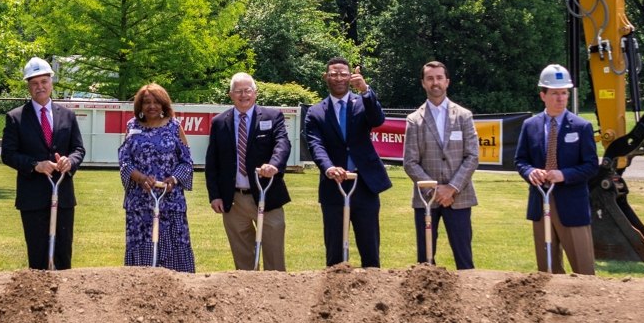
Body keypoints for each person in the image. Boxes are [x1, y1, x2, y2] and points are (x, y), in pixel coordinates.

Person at [304, 57, 391, 268]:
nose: (339, 78)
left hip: (365, 184)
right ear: (326, 77)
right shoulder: (315, 112)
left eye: (343, 74)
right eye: (333, 74)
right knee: (335, 253)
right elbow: (316, 146)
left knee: (370, 250)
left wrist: (365, 90)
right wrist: (329, 168)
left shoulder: (362, 102)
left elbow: (378, 120)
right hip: (334, 186)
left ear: (351, 76)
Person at [0, 56, 85, 270]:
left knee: (63, 254)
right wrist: (35, 165)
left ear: (51, 82)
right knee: (38, 256)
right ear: (28, 86)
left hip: (62, 195)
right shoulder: (16, 117)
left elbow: (78, 149)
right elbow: (8, 154)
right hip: (33, 198)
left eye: (44, 82)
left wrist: (70, 162)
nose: (40, 87)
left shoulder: (67, 115)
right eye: (34, 83)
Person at [515, 64, 599, 275]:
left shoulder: (582, 126)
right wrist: (530, 172)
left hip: (572, 206)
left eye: (564, 93)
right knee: (547, 271)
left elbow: (591, 165)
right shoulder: (530, 125)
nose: (560, 98)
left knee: (583, 270)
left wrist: (564, 175)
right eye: (555, 93)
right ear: (543, 95)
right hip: (540, 203)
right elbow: (520, 160)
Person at [204, 72, 293, 270]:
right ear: (230, 95)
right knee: (243, 261)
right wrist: (215, 195)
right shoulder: (219, 122)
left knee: (274, 257)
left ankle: (276, 297)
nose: (243, 95)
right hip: (233, 200)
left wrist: (274, 164)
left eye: (247, 90)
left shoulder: (272, 116)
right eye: (238, 91)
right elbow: (212, 162)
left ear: (256, 93)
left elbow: (282, 144)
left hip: (266, 196)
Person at [402, 61, 480, 269]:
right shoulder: (414, 120)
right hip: (426, 198)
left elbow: (472, 156)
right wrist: (436, 190)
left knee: (464, 259)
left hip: (460, 197)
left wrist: (452, 188)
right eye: (430, 78)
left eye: (439, 78)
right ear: (423, 83)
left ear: (447, 82)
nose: (435, 82)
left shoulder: (464, 116)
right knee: (425, 260)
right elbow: (410, 162)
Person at [118, 83, 195, 272]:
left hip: (171, 202)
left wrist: (174, 179)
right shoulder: (132, 126)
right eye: (146, 102)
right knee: (141, 253)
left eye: (156, 102)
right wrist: (140, 178)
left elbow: (187, 162)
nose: (151, 106)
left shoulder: (175, 127)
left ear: (163, 104)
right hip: (139, 203)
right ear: (140, 106)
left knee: (174, 251)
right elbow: (124, 161)